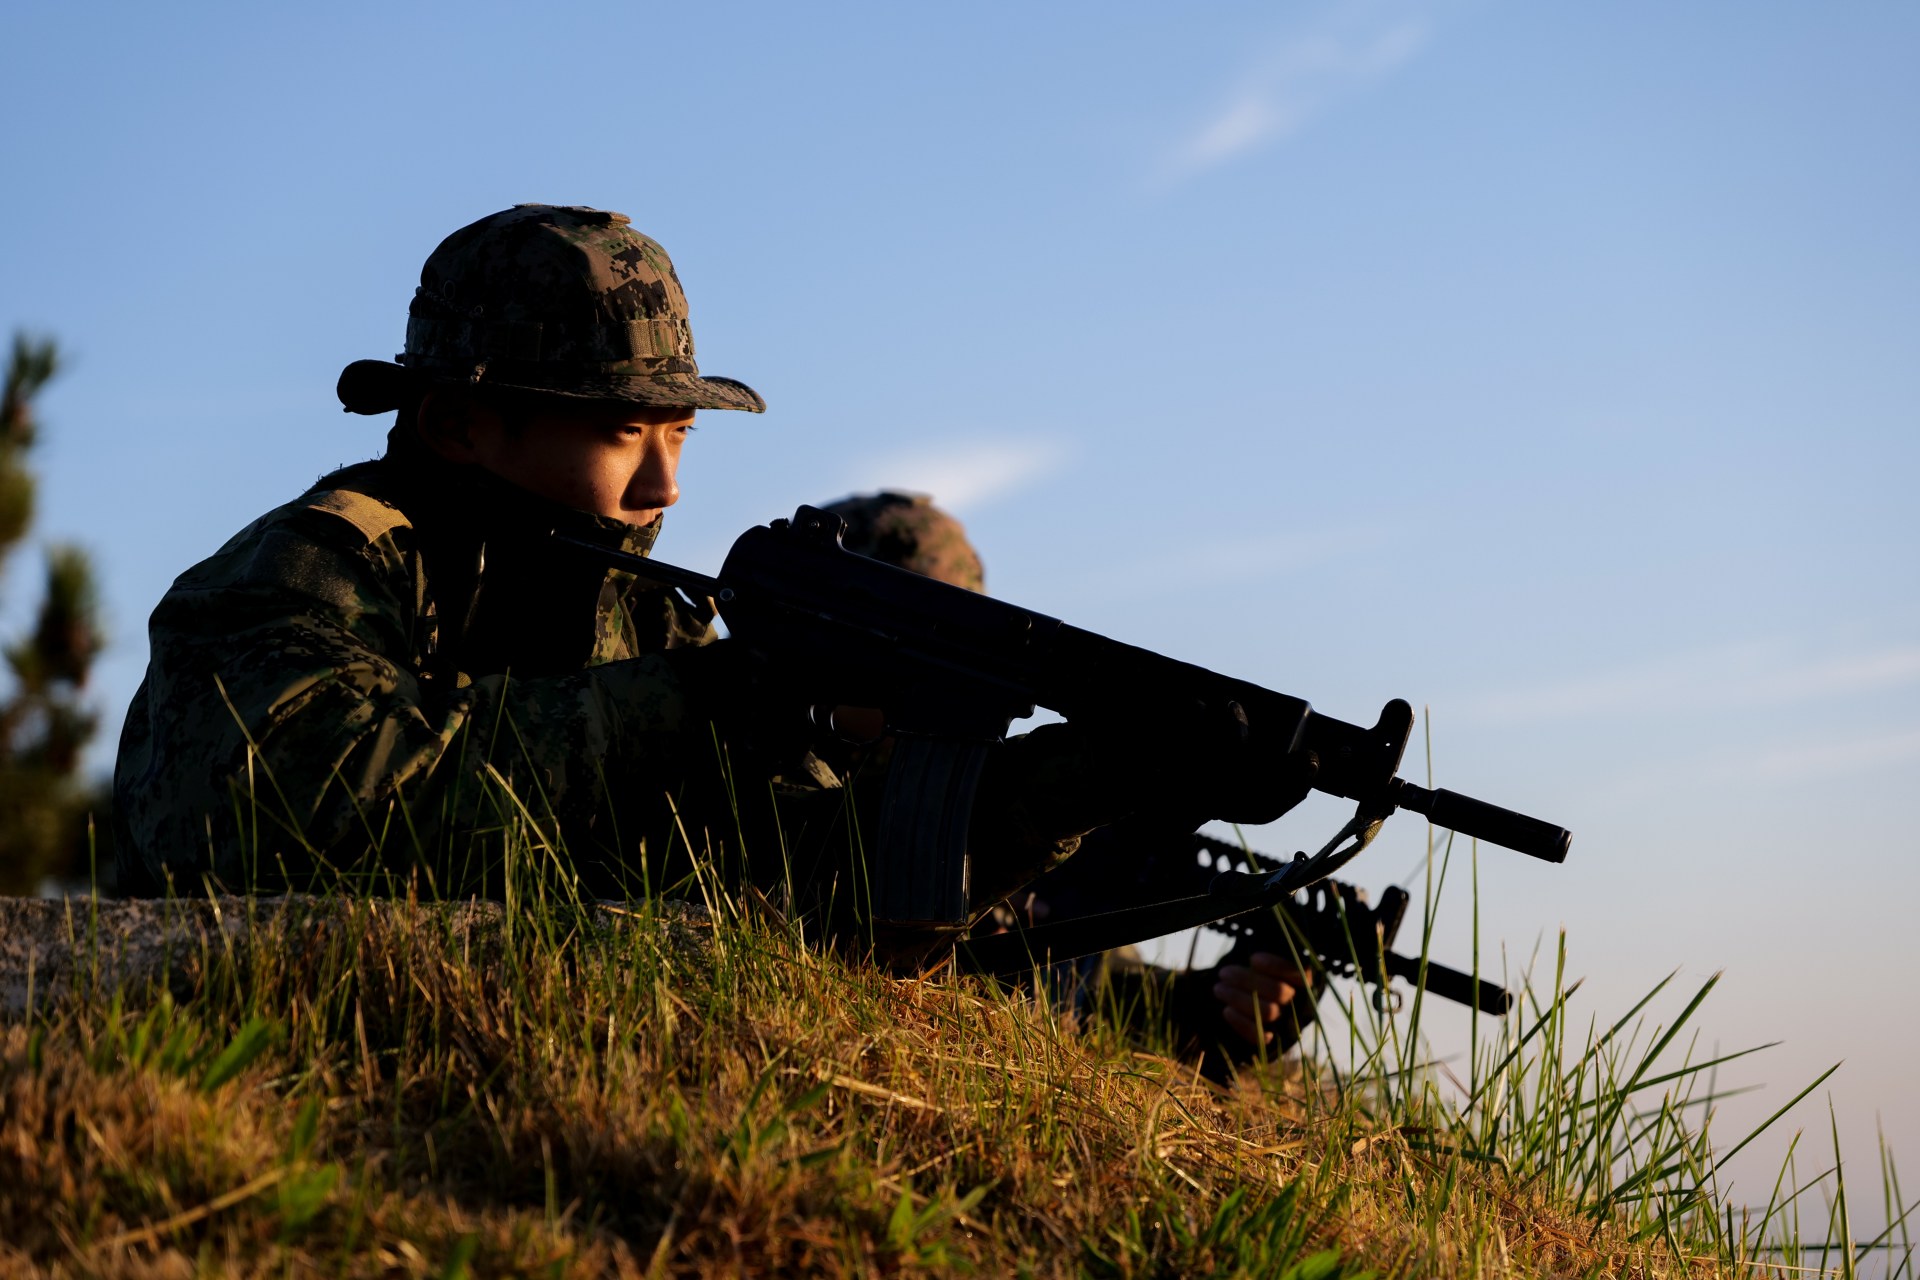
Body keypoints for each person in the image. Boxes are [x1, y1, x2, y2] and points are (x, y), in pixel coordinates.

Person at [112, 205, 1125, 944]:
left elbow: (817, 882)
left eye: (680, 434)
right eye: (623, 430)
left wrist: (1063, 786)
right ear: (456, 423)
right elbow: (283, 824)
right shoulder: (296, 573)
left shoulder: (641, 620)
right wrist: (705, 705)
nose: (665, 485)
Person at [816, 490, 1320, 1067]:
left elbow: (1063, 980)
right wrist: (1092, 775)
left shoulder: (960, 796)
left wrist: (1203, 1010)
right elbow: (833, 904)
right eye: (919, 643)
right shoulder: (745, 749)